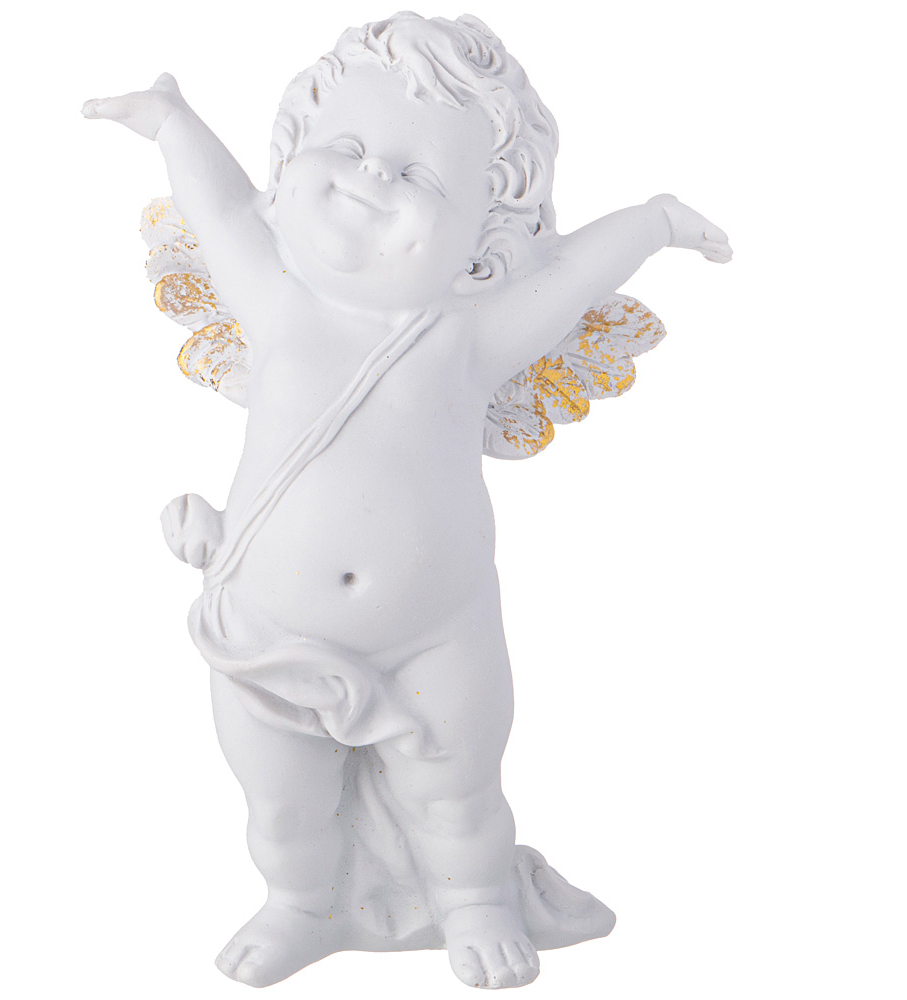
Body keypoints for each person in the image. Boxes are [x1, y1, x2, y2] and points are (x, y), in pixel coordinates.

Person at [83, 12, 731, 990]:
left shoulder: (464, 340)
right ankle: (299, 905)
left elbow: (568, 278)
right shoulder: (277, 303)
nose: (374, 174)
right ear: (286, 170)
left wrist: (650, 223)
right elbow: (217, 210)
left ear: (479, 245)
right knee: (282, 809)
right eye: (345, 146)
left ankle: (475, 903)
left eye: (420, 174)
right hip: (264, 631)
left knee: (458, 799)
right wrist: (172, 122)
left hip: (436, 638)